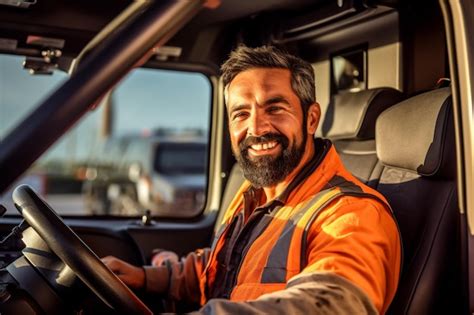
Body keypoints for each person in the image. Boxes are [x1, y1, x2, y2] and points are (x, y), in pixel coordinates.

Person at [103, 45, 401, 314]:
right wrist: (146, 277)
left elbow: (335, 301)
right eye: (240, 113)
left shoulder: (350, 214)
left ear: (311, 119)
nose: (256, 127)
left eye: (274, 108)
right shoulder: (254, 191)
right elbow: (220, 269)